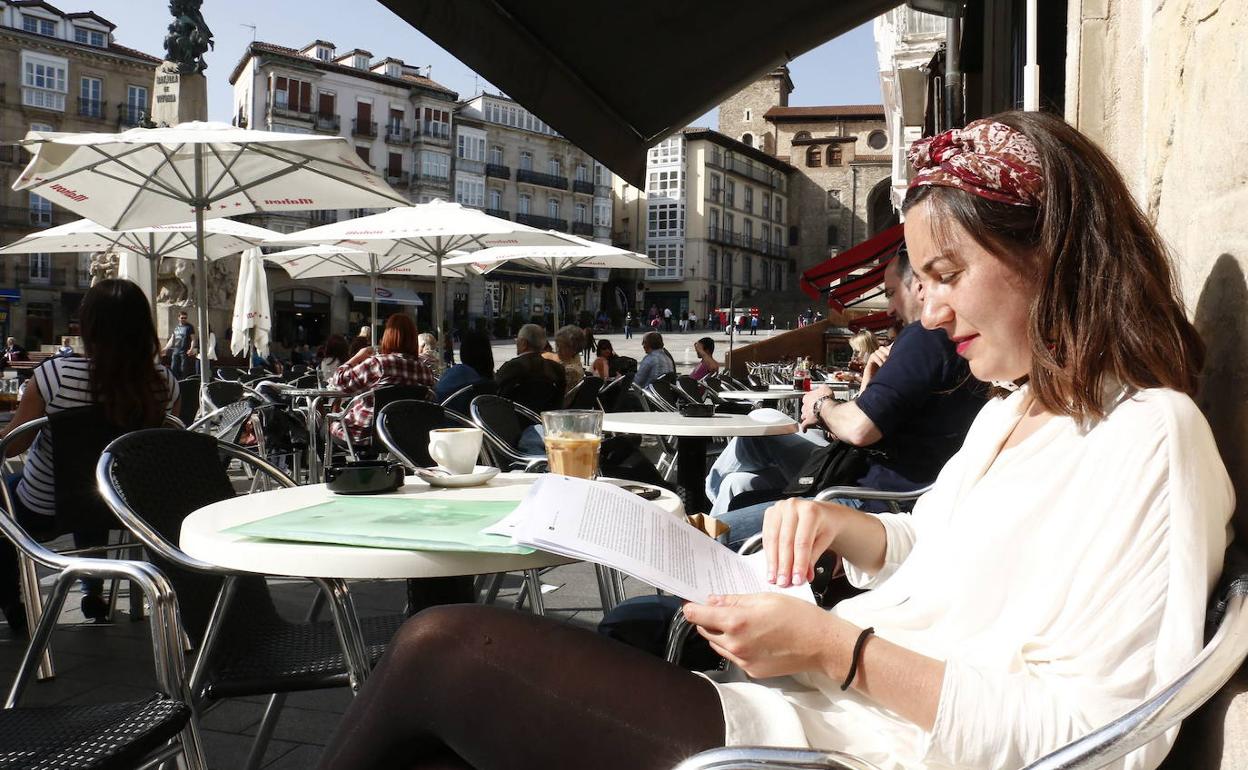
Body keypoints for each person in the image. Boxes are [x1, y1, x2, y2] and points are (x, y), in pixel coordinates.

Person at [314, 111, 1235, 770]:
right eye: (923, 278)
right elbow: (938, 548)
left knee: (440, 652)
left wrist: (834, 649)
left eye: (949, 272)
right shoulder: (1013, 411)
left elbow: (1106, 739)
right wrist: (842, 526)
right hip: (822, 713)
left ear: (1058, 253)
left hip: (849, 746)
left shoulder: (1149, 438)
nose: (931, 308)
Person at [706, 251, 984, 520]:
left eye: (890, 293)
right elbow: (867, 421)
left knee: (717, 532)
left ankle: (704, 506)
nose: (888, 308)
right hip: (866, 484)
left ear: (919, 287)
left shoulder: (926, 336)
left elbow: (858, 429)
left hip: (862, 501)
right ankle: (709, 503)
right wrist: (867, 381)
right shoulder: (945, 346)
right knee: (741, 484)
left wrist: (821, 404)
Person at [0, 279, 180, 630]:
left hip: (46, 509)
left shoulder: (54, 375)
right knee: (93, 486)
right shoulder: (164, 382)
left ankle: (12, 599)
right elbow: (166, 448)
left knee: (14, 495)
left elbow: (14, 446)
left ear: (88, 326)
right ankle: (92, 588)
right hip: (127, 508)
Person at [328, 314, 435, 446]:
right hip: (403, 438)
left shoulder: (378, 364)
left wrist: (357, 357)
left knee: (325, 429)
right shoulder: (425, 371)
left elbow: (339, 383)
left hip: (363, 434)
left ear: (387, 337)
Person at [494, 323, 566, 411]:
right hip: (545, 420)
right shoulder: (557, 369)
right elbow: (559, 402)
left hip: (514, 420)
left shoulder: (511, 367)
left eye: (517, 340)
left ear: (524, 343)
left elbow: (495, 394)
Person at [433, 330, 494, 402]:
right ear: (488, 353)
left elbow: (436, 394)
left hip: (443, 411)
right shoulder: (489, 385)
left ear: (463, 352)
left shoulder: (456, 373)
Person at [552, 325, 585, 395]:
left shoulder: (570, 370)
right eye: (557, 346)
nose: (558, 350)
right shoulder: (574, 364)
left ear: (574, 349)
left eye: (562, 347)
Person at [162, 310, 195, 379]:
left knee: (183, 369)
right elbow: (172, 339)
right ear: (178, 318)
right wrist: (165, 348)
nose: (184, 319)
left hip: (184, 351)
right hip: (176, 350)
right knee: (173, 367)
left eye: (185, 318)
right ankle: (175, 382)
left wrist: (191, 349)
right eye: (182, 318)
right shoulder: (176, 328)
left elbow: (193, 339)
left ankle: (183, 382)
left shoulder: (189, 327)